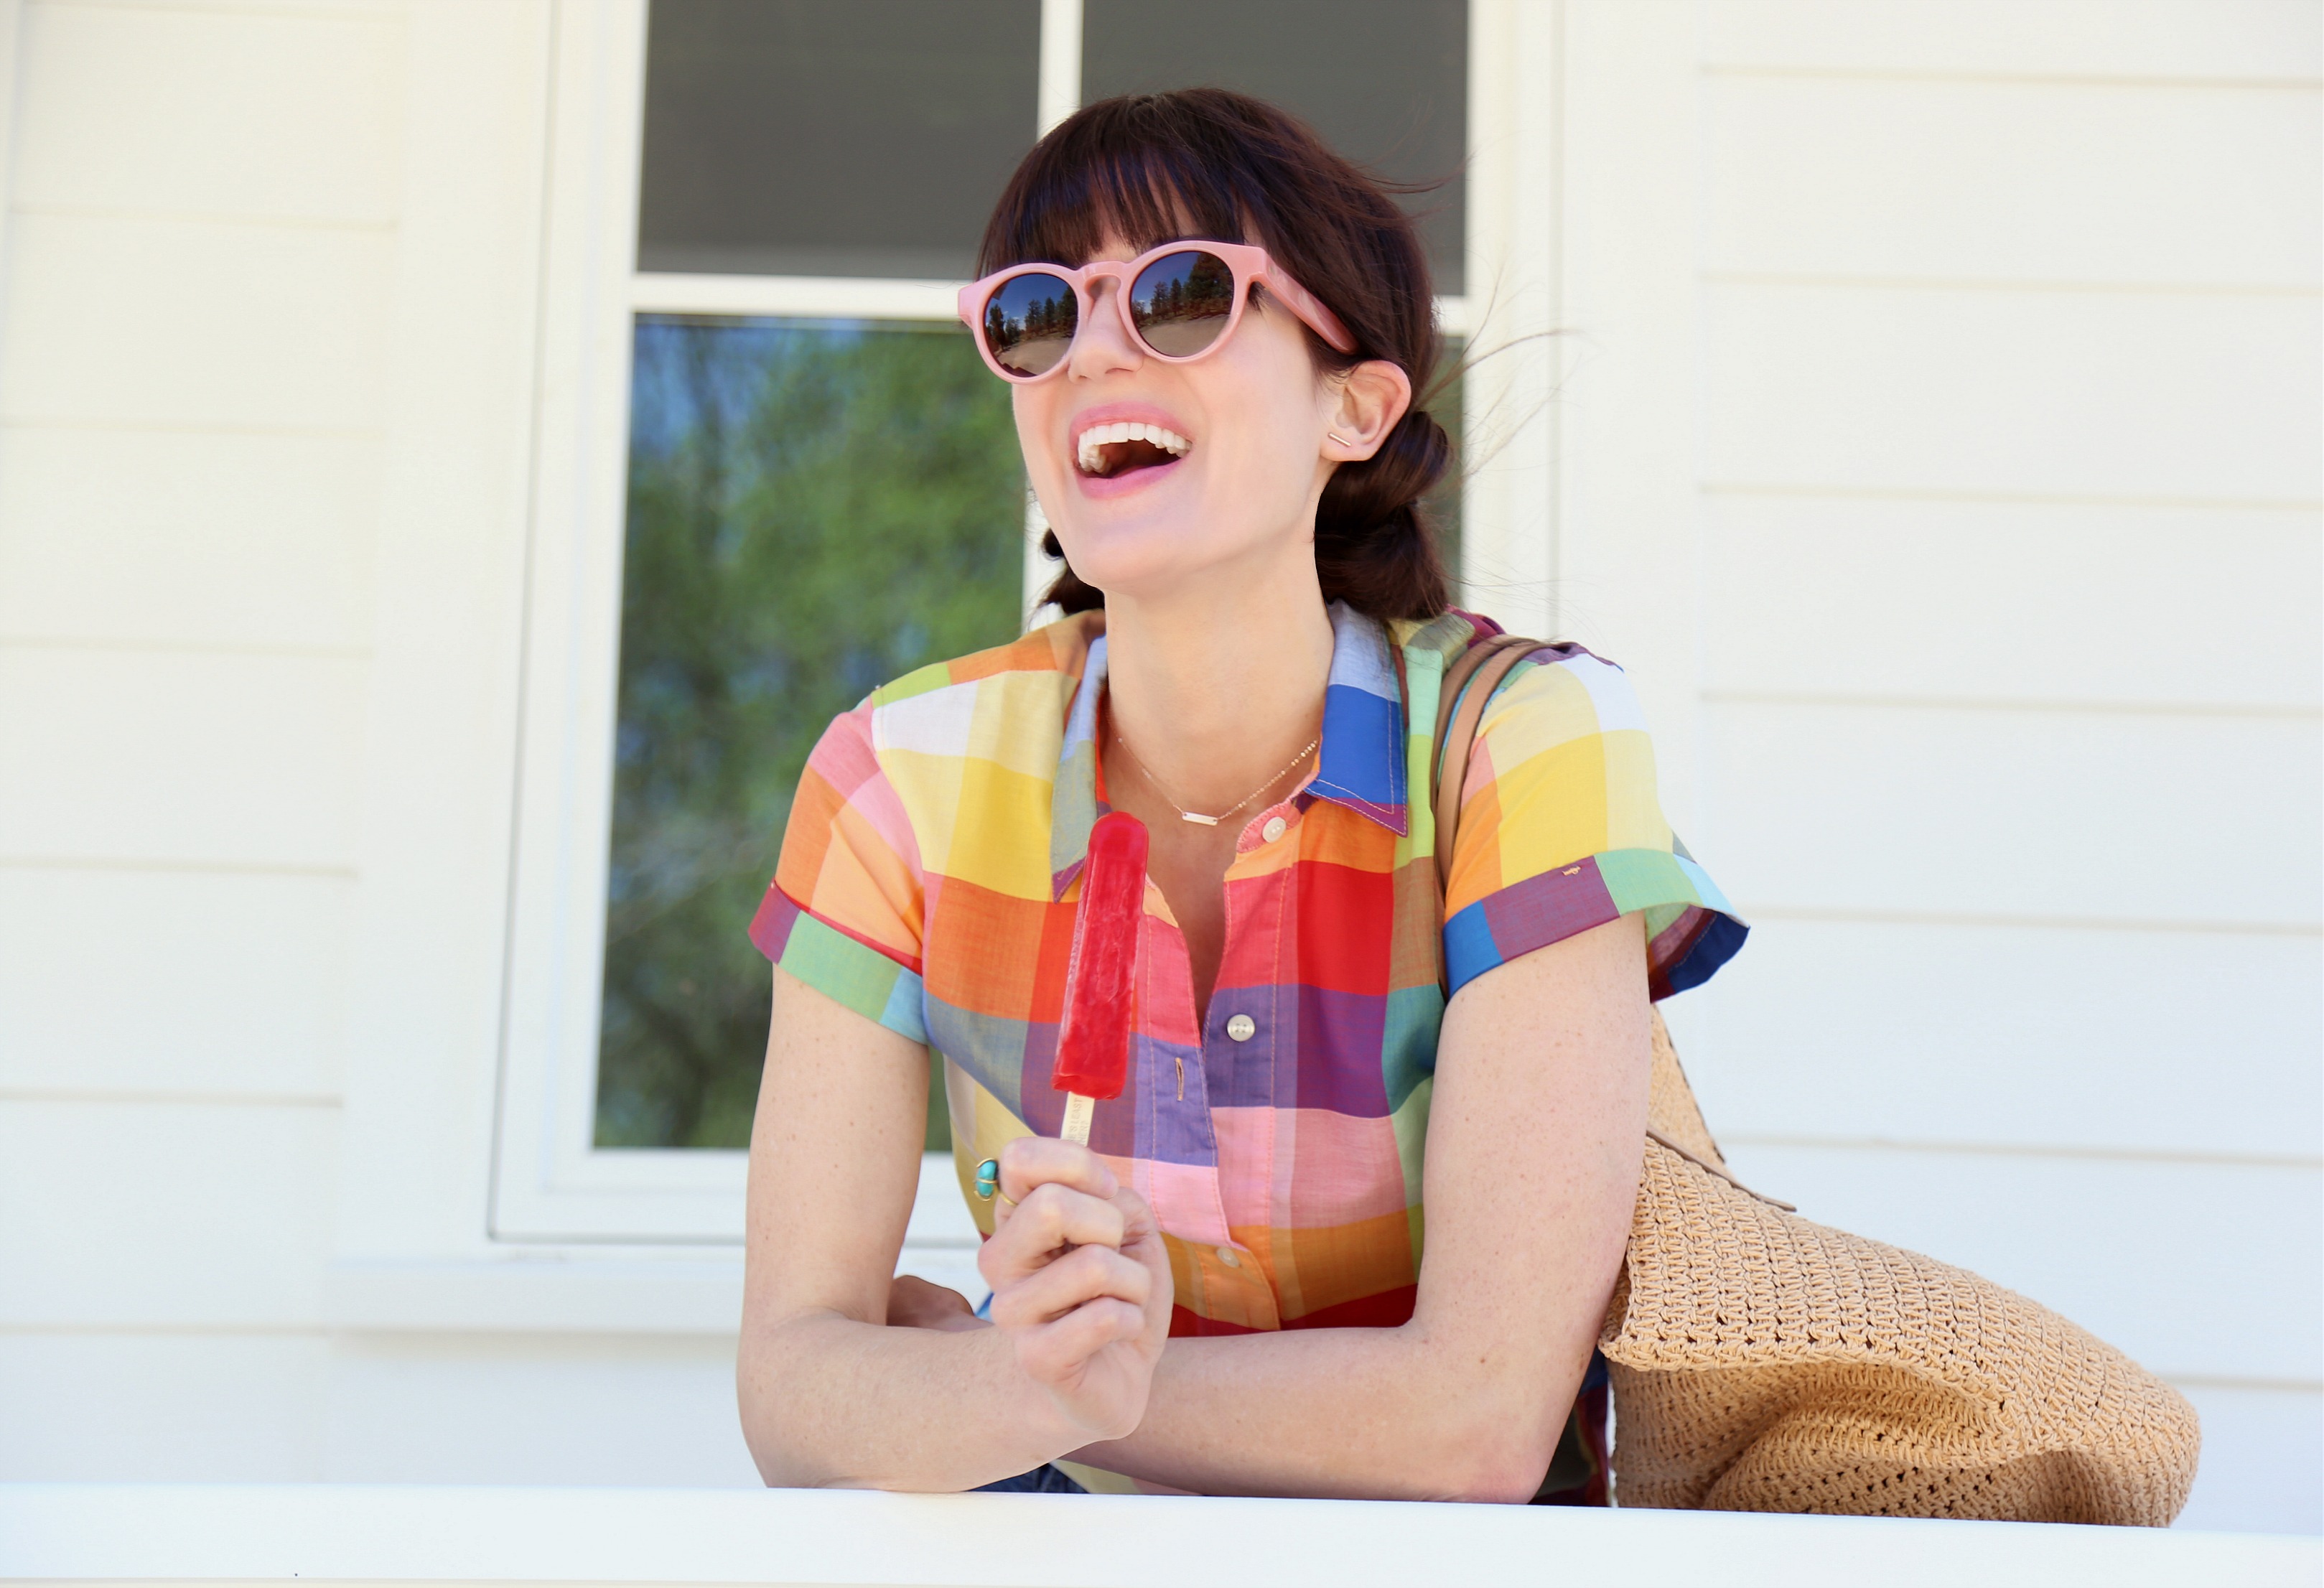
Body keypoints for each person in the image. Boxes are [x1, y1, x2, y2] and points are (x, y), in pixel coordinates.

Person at [736, 88, 1743, 1501]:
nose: (1089, 354)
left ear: (1354, 402)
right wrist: (964, 1392)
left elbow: (1475, 1423)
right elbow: (788, 1390)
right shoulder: (897, 777)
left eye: (1179, 294)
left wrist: (1003, 1387)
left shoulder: (1523, 741)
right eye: (1036, 317)